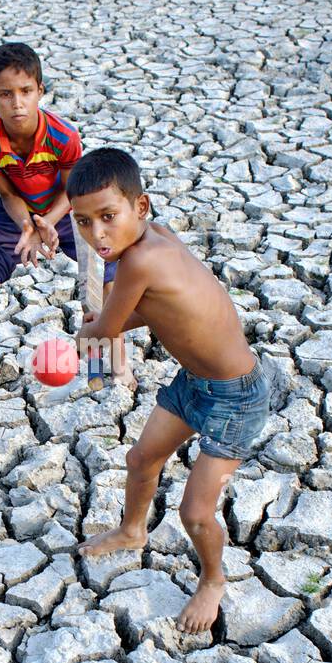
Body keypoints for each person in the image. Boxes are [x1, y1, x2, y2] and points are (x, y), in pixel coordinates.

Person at [70, 147, 271, 634]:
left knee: (196, 513)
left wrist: (87, 334)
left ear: (141, 207)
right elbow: (153, 309)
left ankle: (213, 580)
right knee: (141, 460)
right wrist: (107, 321)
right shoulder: (154, 237)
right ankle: (133, 530)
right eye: (82, 222)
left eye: (107, 217)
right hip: (195, 382)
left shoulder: (138, 262)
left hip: (234, 395)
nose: (96, 233)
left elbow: (110, 328)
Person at [0, 42, 131, 394]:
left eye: (26, 91)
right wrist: (28, 226)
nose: (17, 102)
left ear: (40, 91)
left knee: (105, 278)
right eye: (5, 94)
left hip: (68, 211)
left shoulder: (62, 136)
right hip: (18, 213)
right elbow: (7, 194)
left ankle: (110, 355)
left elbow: (73, 193)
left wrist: (48, 222)